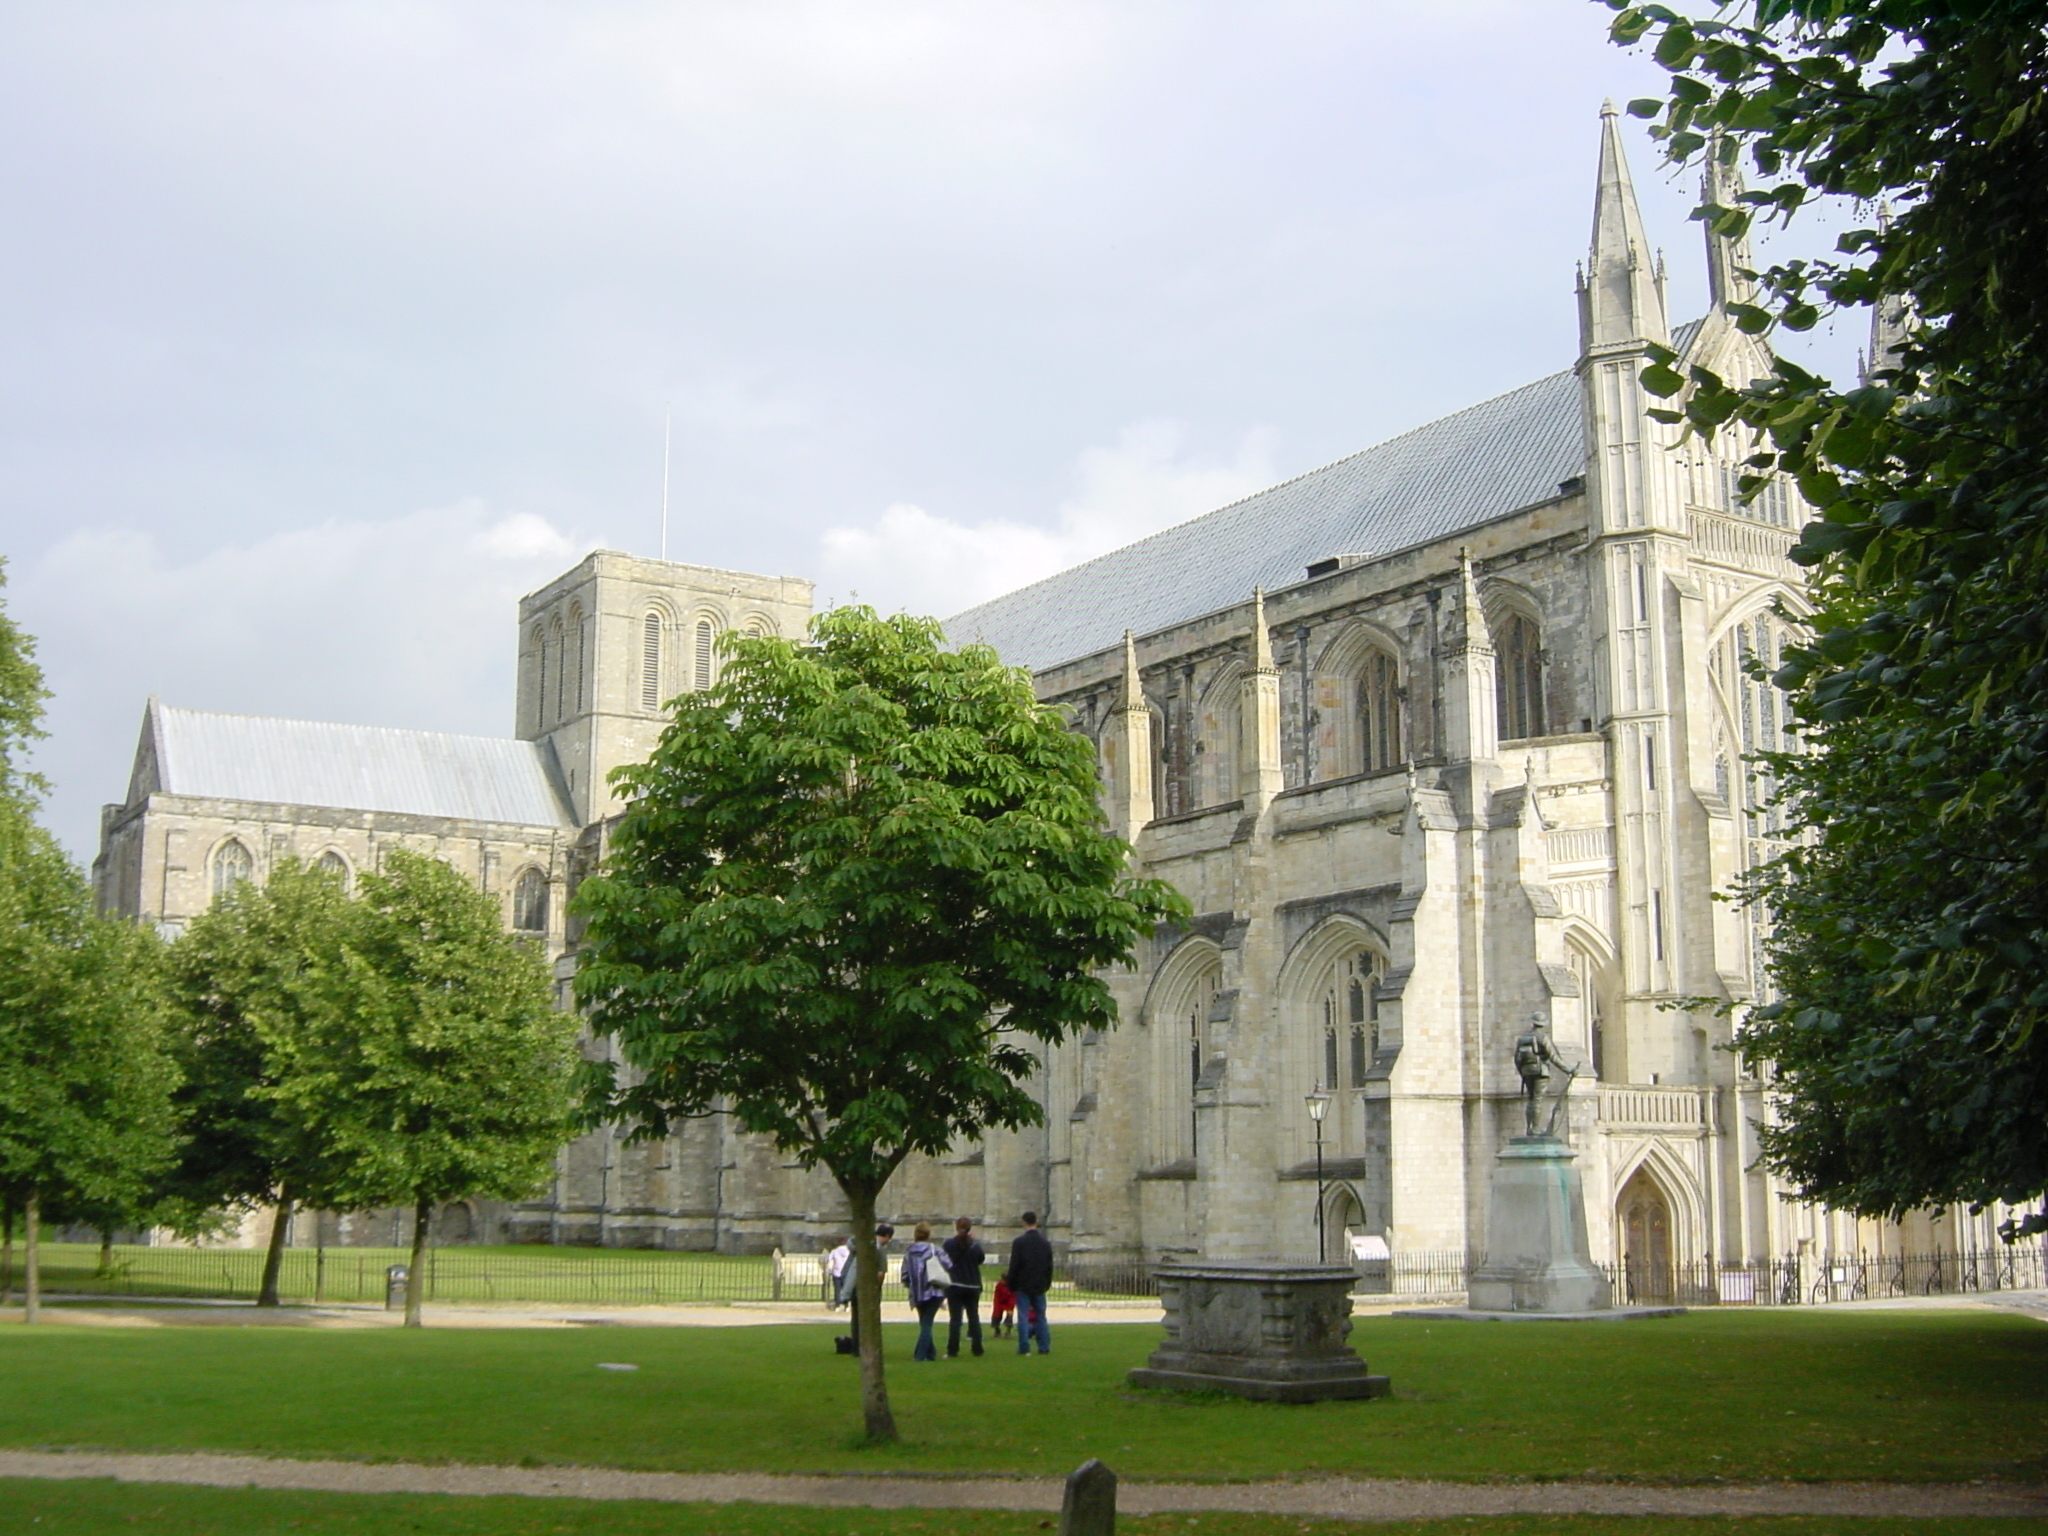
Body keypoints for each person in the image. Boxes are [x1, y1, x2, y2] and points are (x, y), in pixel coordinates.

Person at [835, 1222, 892, 1356]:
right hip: (868, 1288)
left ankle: (856, 1348)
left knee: (856, 1318)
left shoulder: (858, 1246)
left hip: (854, 1286)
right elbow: (880, 1273)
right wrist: (877, 1289)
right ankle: (867, 1347)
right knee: (868, 1320)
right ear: (887, 1236)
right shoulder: (879, 1249)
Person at [1003, 1210, 1054, 1356]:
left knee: (1023, 1316)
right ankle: (1044, 1346)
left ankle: (1024, 1347)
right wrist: (1047, 1283)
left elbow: (1014, 1265)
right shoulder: (1045, 1243)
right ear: (1036, 1222)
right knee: (1041, 1316)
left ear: (1023, 1222)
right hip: (1039, 1284)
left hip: (1023, 1284)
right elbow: (1049, 1266)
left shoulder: (1019, 1242)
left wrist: (1011, 1283)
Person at [900, 1222, 949, 1362]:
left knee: (925, 1322)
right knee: (926, 1324)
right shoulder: (935, 1250)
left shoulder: (909, 1252)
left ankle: (930, 1353)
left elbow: (904, 1275)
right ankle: (920, 1354)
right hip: (934, 1291)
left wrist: (912, 1285)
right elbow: (949, 1264)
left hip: (917, 1292)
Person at [941, 1216, 986, 1358]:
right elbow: (980, 1259)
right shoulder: (974, 1245)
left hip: (955, 1284)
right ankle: (977, 1348)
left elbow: (946, 1260)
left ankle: (952, 1350)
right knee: (973, 1317)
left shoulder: (949, 1244)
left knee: (955, 1319)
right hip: (972, 1285)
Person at [824, 1236, 852, 1309]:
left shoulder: (834, 1251)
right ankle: (846, 1305)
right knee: (846, 1289)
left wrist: (829, 1270)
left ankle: (837, 1305)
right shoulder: (849, 1251)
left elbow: (830, 1260)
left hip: (836, 1271)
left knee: (837, 1289)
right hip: (846, 1272)